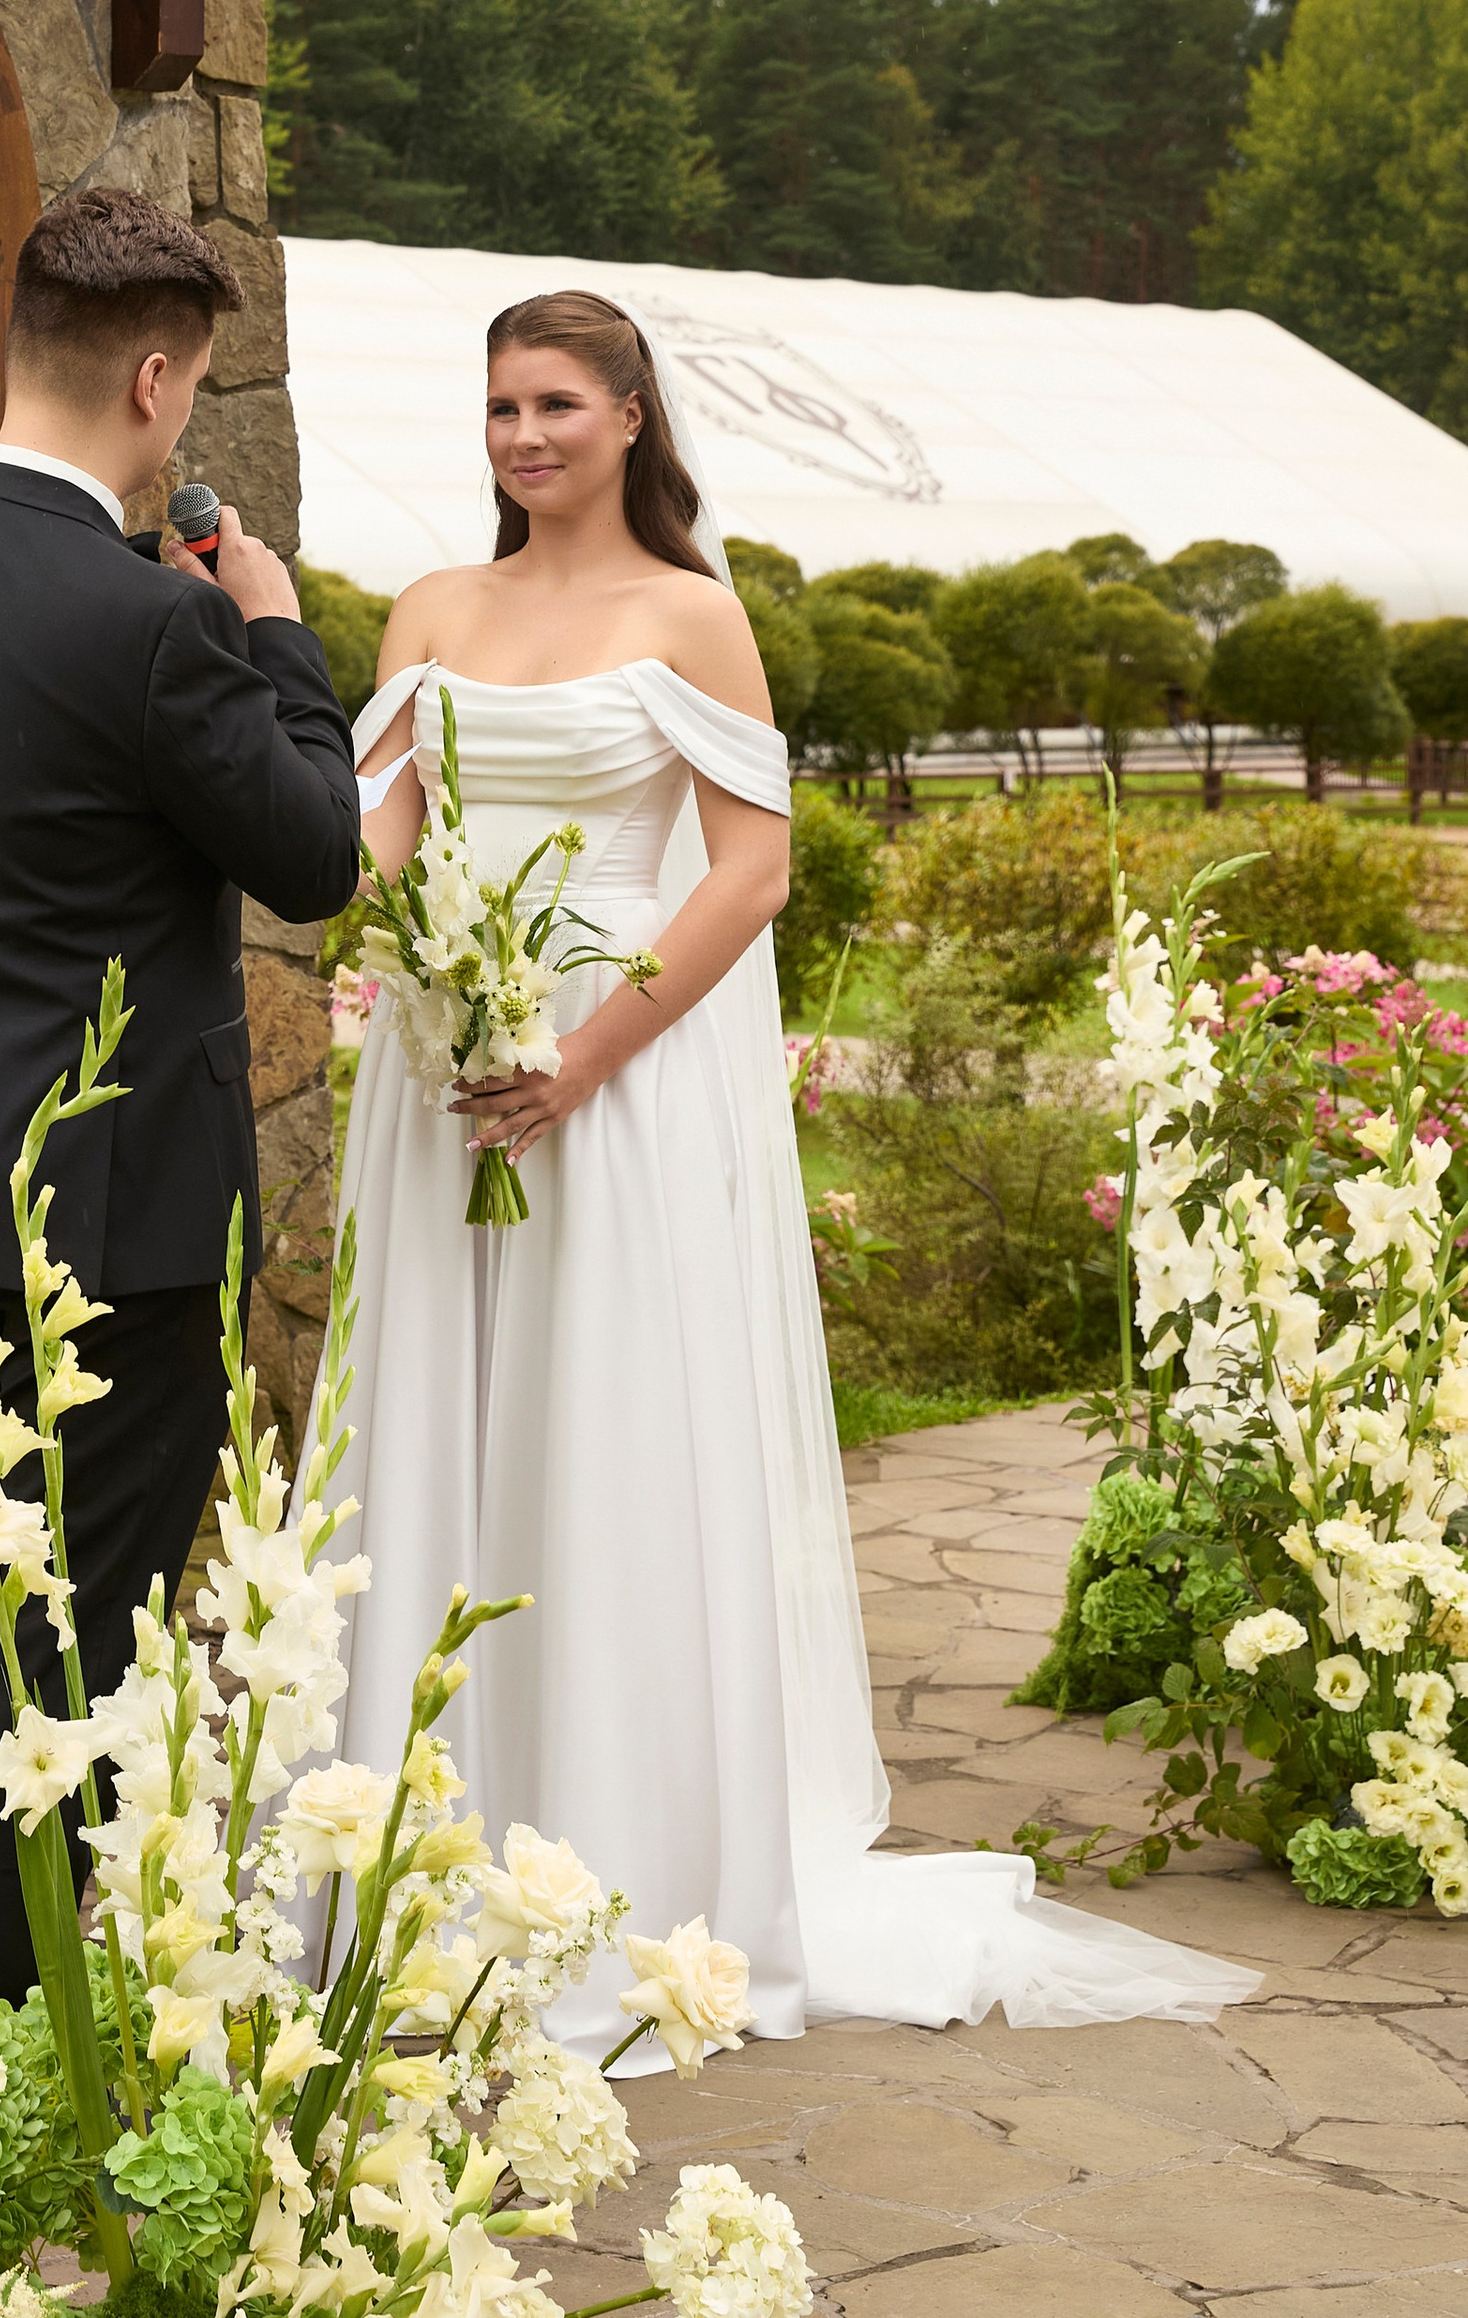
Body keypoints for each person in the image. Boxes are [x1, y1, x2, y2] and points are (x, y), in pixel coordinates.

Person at [326, 287, 1257, 2048]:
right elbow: (383, 844)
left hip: (615, 1074)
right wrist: (418, 968)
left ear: (627, 414)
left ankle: (611, 1859)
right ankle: (414, 1851)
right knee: (438, 1429)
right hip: (449, 1076)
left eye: (553, 404)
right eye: (499, 408)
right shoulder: (433, 609)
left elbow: (750, 875)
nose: (522, 437)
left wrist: (580, 1061)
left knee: (595, 1435)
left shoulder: (696, 615)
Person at [0, 184, 360, 2003]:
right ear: (148, 376)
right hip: (120, 1204)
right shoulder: (158, 622)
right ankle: (17, 2008)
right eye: (186, 387)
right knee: (86, 1621)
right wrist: (271, 630)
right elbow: (314, 855)